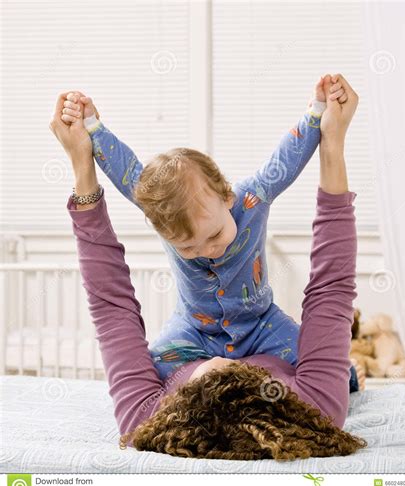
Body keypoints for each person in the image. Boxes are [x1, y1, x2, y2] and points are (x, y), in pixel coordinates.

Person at [49, 73, 367, 460]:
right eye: (187, 246)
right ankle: (346, 373)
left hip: (257, 324)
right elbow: (331, 291)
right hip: (196, 330)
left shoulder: (143, 421)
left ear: (227, 195)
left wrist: (91, 139)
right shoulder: (317, 407)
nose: (206, 252)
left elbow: (112, 309)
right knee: (320, 356)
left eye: (214, 236)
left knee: (157, 359)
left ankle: (345, 371)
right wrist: (328, 129)